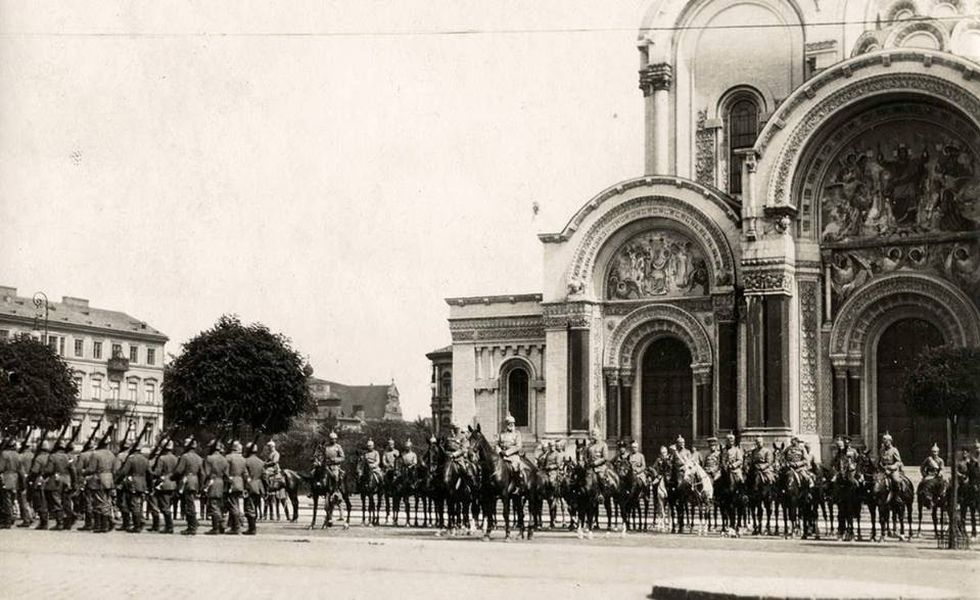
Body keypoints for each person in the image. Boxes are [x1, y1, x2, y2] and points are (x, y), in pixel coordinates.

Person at [172, 437, 204, 535]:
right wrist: (200, 485)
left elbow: (179, 470)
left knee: (189, 504)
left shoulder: (185, 457)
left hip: (186, 481)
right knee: (191, 503)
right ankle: (193, 524)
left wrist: (174, 477)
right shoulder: (199, 458)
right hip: (195, 481)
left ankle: (192, 526)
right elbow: (202, 473)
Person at [117, 441, 150, 533]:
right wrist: (149, 486)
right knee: (138, 504)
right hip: (142, 483)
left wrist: (117, 481)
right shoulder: (145, 459)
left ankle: (137, 526)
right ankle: (138, 523)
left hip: (132, 483)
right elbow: (149, 473)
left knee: (133, 504)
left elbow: (124, 472)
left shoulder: (131, 459)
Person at [87, 433, 117, 533]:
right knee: (107, 502)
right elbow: (115, 470)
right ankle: (107, 523)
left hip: (99, 480)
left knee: (99, 502)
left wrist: (83, 472)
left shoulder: (95, 454)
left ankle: (102, 525)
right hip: (109, 479)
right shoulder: (112, 454)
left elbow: (91, 469)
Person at [42, 439, 73, 530]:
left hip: (56, 479)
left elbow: (49, 470)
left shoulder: (53, 456)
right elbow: (73, 470)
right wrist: (74, 482)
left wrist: (44, 475)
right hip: (67, 479)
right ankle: (68, 522)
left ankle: (60, 523)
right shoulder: (68, 457)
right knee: (66, 501)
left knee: (56, 500)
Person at [203, 439, 229, 535]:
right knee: (219, 505)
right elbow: (226, 474)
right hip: (221, 482)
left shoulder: (209, 458)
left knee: (213, 505)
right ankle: (221, 525)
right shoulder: (224, 459)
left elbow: (206, 473)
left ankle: (216, 527)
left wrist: (204, 485)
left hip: (212, 482)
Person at [152, 439, 178, 534]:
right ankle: (169, 526)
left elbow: (158, 472)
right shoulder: (176, 458)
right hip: (173, 483)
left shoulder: (162, 458)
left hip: (164, 483)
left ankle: (169, 526)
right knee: (168, 505)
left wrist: (151, 472)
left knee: (164, 507)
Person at [243, 442, 265, 535]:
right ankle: (253, 527)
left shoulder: (246, 461)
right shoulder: (261, 462)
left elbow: (245, 475)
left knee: (249, 507)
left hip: (249, 486)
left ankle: (252, 529)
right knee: (255, 507)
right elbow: (264, 476)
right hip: (259, 487)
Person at [226, 441, 247, 535]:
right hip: (240, 483)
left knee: (232, 505)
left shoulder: (228, 457)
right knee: (236, 504)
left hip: (231, 483)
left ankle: (236, 528)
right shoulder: (243, 459)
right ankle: (234, 525)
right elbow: (245, 474)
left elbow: (225, 472)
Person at [497, 415, 525, 486]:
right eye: (509, 423)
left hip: (513, 456)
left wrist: (507, 452)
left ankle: (517, 485)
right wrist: (499, 451)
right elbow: (497, 444)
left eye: (512, 423)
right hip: (502, 455)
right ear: (506, 424)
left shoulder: (517, 433)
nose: (511, 425)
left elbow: (518, 446)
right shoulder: (502, 433)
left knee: (516, 468)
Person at [877, 432, 906, 497]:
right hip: (882, 470)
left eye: (886, 441)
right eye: (883, 441)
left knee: (896, 480)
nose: (885, 443)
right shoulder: (881, 450)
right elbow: (879, 460)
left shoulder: (894, 450)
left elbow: (899, 462)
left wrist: (891, 467)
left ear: (890, 441)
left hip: (892, 470)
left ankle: (897, 496)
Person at [0, 437, 19, 528]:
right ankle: (11, 518)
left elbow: (1, 467)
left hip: (6, 477)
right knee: (12, 499)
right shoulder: (17, 454)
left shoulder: (4, 454)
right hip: (15, 477)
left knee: (6, 500)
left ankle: (7, 520)